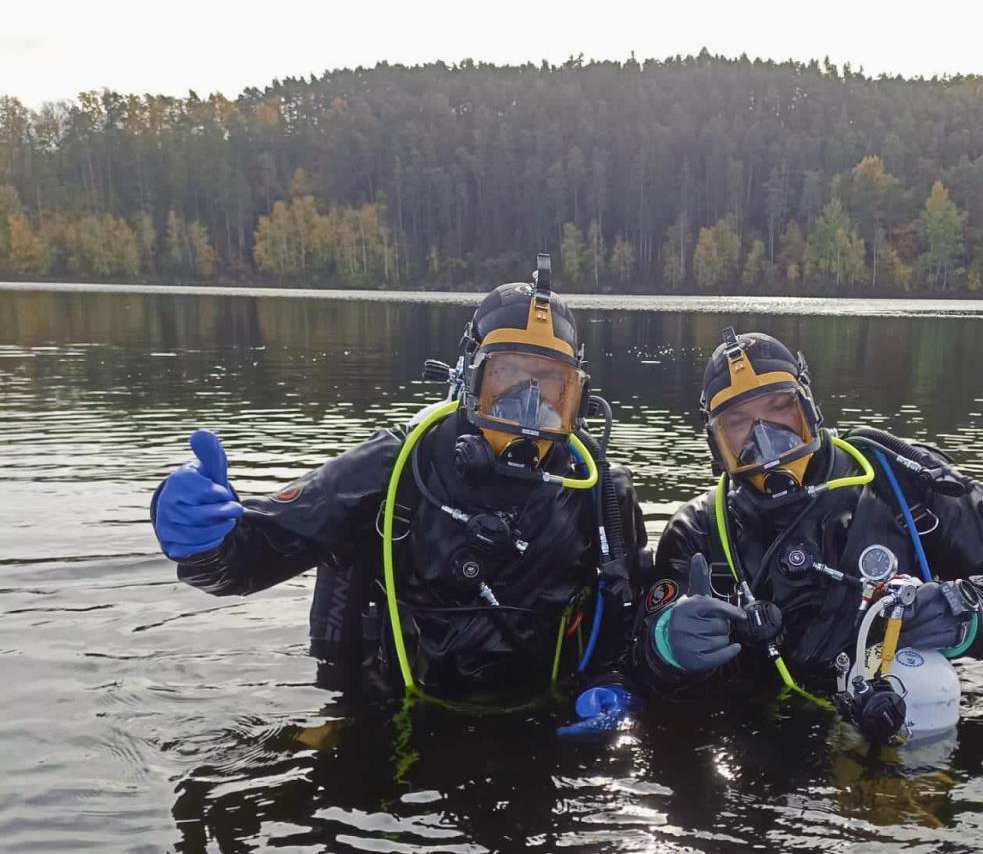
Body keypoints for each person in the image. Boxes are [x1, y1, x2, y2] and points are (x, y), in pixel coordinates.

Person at [151, 258, 646, 710]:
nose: (527, 402)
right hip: (392, 712)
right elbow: (249, 560)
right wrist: (206, 540)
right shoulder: (397, 466)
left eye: (549, 386)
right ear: (470, 379)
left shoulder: (598, 494)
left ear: (576, 398)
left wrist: (615, 686)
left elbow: (626, 621)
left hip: (539, 716)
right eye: (509, 378)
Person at [635, 327, 983, 735]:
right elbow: (634, 659)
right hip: (766, 729)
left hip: (901, 704)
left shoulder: (899, 481)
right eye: (739, 422)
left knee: (932, 688)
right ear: (716, 445)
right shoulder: (698, 532)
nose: (765, 436)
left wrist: (966, 611)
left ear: (809, 409)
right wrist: (666, 646)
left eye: (780, 408)